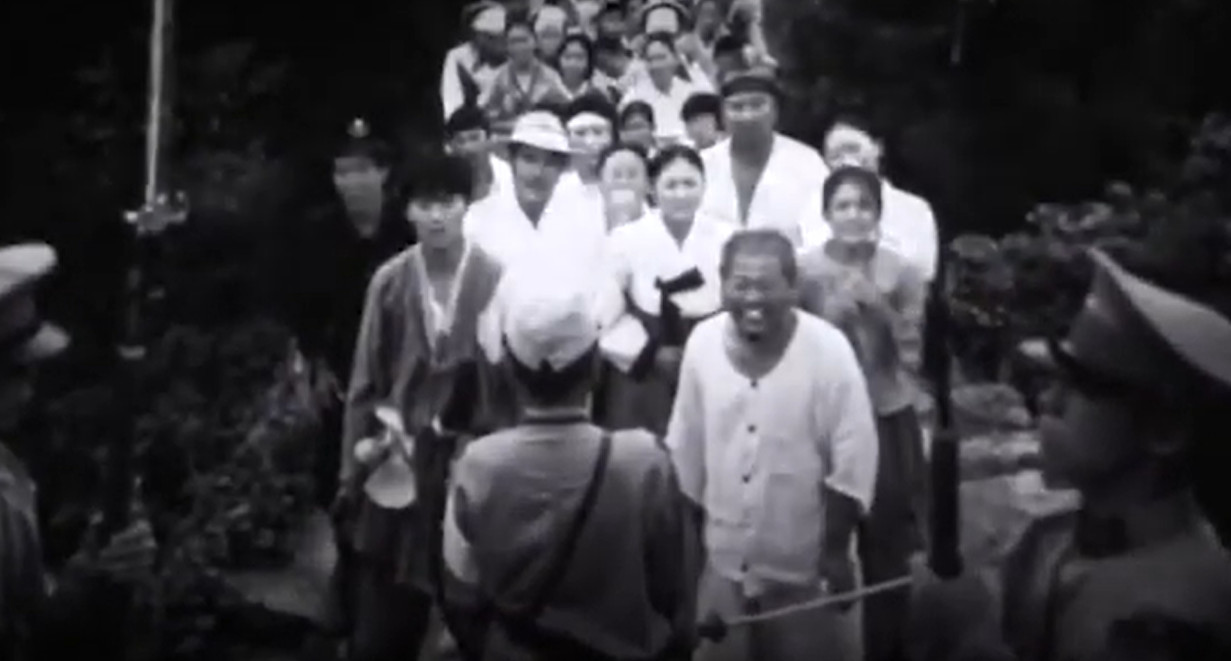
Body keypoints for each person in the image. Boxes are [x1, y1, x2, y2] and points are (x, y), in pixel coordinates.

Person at [910, 247, 1231, 661]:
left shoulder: (1170, 619)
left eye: (1080, 386)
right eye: (1055, 379)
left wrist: (968, 628)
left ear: (1165, 429)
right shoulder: (1056, 537)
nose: (1049, 401)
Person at [439, 263, 699, 661]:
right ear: (595, 367)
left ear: (510, 372)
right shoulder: (643, 460)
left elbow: (461, 590)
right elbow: (672, 588)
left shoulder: (479, 464)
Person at [665, 229, 878, 661]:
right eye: (741, 285)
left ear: (793, 288)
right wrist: (685, 572)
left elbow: (854, 456)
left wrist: (836, 553)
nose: (753, 299)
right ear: (722, 285)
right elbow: (685, 455)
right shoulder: (701, 344)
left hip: (807, 577)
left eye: (766, 286)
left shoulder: (829, 350)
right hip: (724, 572)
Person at [333, 150, 506, 661]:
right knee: (384, 624)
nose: (436, 216)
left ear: (465, 205)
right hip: (399, 461)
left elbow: (509, 385)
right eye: (424, 205)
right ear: (407, 210)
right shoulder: (390, 281)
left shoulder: (496, 278)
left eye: (447, 203)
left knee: (475, 615)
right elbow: (365, 383)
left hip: (471, 461)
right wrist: (350, 475)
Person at [0, 243, 158, 660]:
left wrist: (95, 566)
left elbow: (32, 613)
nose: (27, 392)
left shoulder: (8, 471)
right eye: (12, 373)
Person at [797, 166, 929, 661]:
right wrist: (829, 319)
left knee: (887, 541)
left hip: (886, 415)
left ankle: (887, 647)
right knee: (818, 536)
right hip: (822, 420)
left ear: (878, 213)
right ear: (826, 214)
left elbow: (915, 356)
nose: (854, 215)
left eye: (864, 205)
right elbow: (791, 346)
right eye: (843, 205)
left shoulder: (903, 271)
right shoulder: (804, 271)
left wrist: (879, 309)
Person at [275, 117, 413, 509]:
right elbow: (302, 305)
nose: (352, 182)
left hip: (400, 371)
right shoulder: (318, 234)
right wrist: (311, 361)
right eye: (343, 172)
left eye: (361, 170)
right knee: (336, 475)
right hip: (340, 372)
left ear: (383, 173)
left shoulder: (407, 233)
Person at [598, 145, 733, 434]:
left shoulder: (726, 236)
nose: (681, 194)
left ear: (704, 185)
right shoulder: (625, 239)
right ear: (651, 188)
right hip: (648, 364)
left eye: (689, 183)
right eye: (671, 185)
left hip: (713, 356)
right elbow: (604, 315)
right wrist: (648, 354)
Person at [464, 110, 609, 314]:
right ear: (512, 161)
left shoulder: (587, 219)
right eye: (529, 159)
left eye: (550, 163)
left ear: (562, 169)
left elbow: (598, 292)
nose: (538, 173)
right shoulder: (478, 219)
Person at [698, 66, 829, 245]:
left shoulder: (807, 161)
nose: (747, 116)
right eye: (737, 107)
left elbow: (822, 228)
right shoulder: (703, 164)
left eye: (757, 105)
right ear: (722, 117)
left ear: (775, 111)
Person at [807, 112, 940, 282]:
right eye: (835, 156)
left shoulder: (914, 209)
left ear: (878, 148)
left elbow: (923, 270)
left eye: (853, 149)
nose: (846, 160)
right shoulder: (812, 207)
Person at [621, 33, 715, 146]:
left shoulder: (694, 92)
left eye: (661, 58)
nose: (656, 65)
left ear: (676, 59)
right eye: (650, 60)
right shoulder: (633, 97)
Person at [480, 19, 571, 136]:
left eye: (523, 40)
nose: (519, 46)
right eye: (513, 42)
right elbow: (484, 115)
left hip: (543, 136)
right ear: (507, 46)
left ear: (535, 42)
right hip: (507, 136)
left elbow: (569, 107)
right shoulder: (498, 77)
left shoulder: (550, 76)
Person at [441, 1, 508, 120]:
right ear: (474, 35)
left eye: (502, 35)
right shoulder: (458, 58)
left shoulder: (518, 52)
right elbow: (452, 109)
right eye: (490, 36)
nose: (499, 42)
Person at [445, 104, 514, 202]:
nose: (468, 147)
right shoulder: (442, 183)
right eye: (460, 141)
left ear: (490, 140)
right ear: (451, 147)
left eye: (474, 138)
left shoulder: (509, 178)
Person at [597, 142, 652, 231]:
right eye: (617, 175)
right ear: (600, 185)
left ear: (647, 185)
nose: (624, 182)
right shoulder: (580, 223)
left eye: (632, 175)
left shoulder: (662, 230)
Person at [554, 33, 622, 102]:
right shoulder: (550, 91)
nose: (573, 63)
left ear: (589, 61)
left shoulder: (599, 95)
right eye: (567, 57)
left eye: (579, 57)